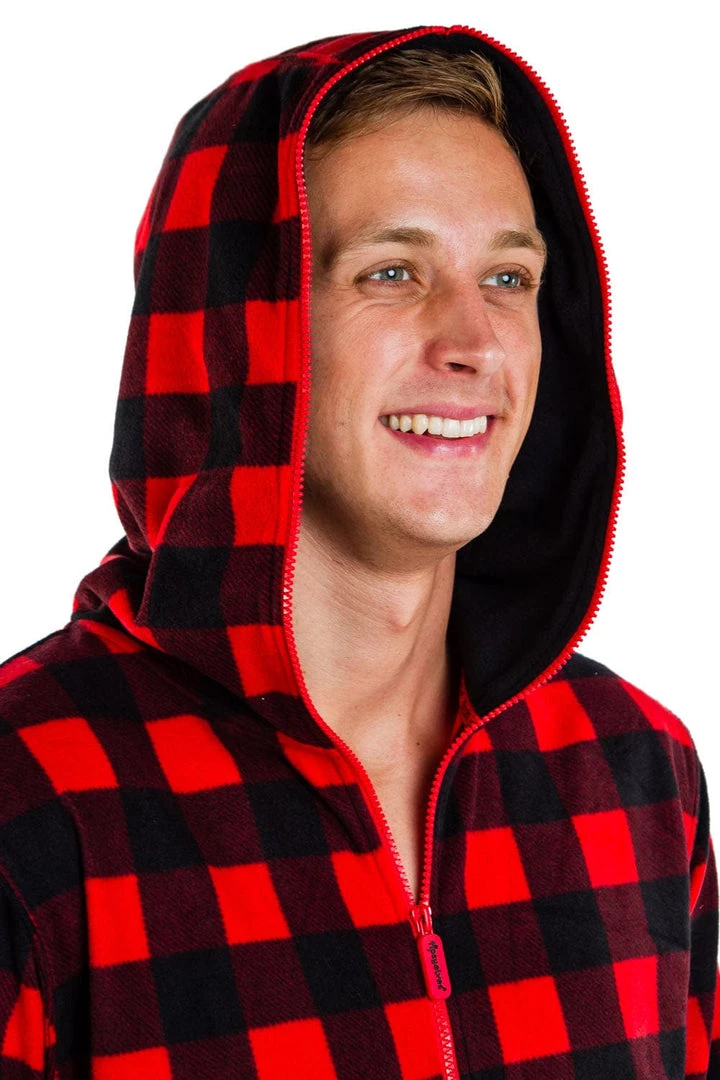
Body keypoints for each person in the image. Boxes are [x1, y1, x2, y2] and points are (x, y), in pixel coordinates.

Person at [0, 22, 717, 1079]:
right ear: (236, 331)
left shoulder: (637, 771)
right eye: (391, 272)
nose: (473, 342)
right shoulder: (32, 795)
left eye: (509, 279)